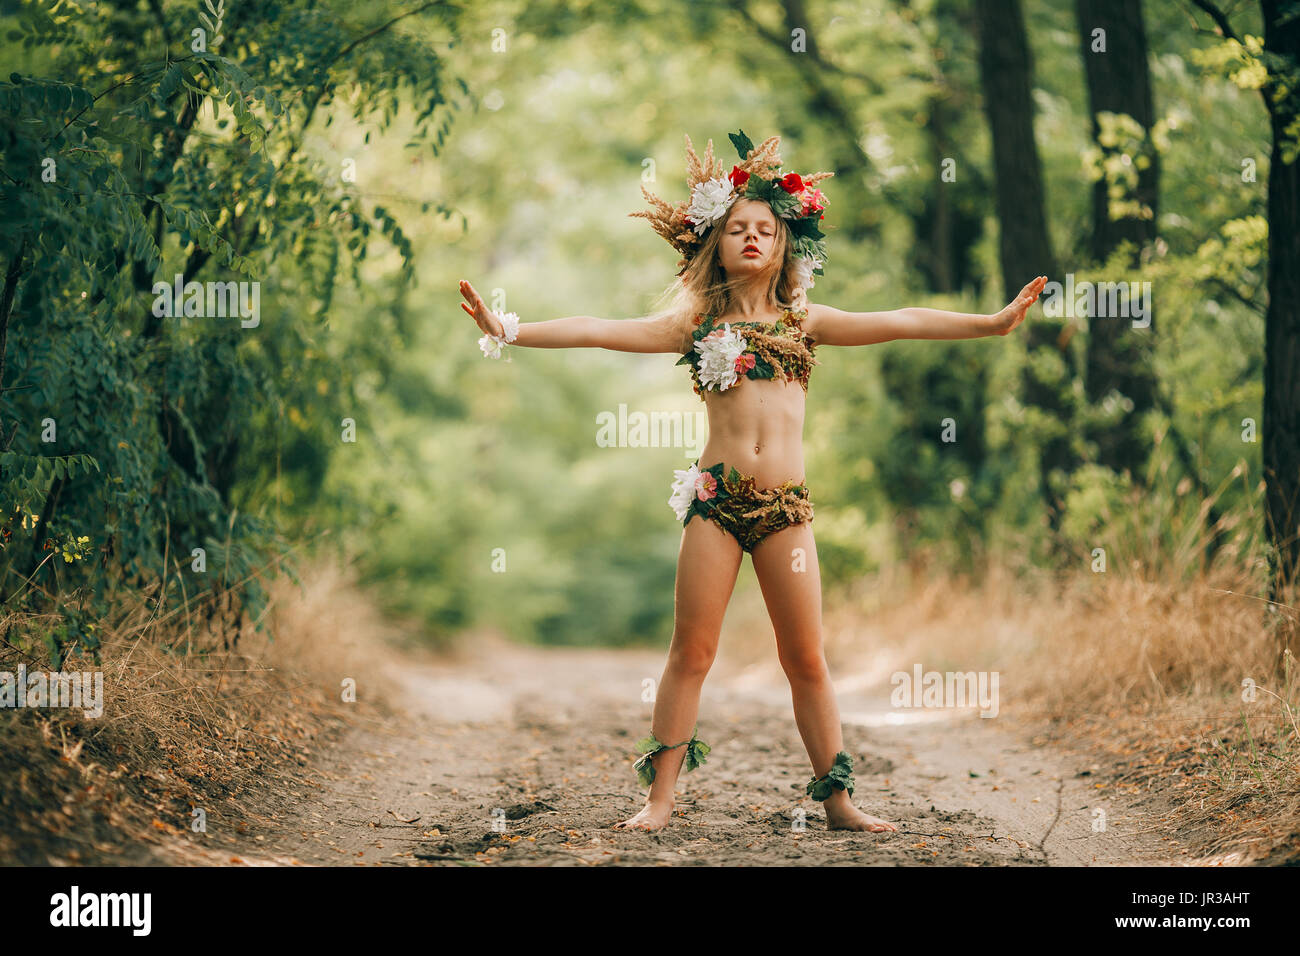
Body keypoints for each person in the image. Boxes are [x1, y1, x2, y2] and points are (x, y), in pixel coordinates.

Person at [459, 130, 1045, 833]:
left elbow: (900, 320)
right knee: (691, 652)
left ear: (783, 244)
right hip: (716, 505)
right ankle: (659, 800)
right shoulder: (695, 324)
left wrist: (990, 323)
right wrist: (508, 329)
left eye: (765, 228)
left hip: (786, 513)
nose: (751, 236)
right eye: (737, 227)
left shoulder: (807, 321)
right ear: (717, 242)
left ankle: (839, 802)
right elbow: (597, 328)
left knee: (806, 658)